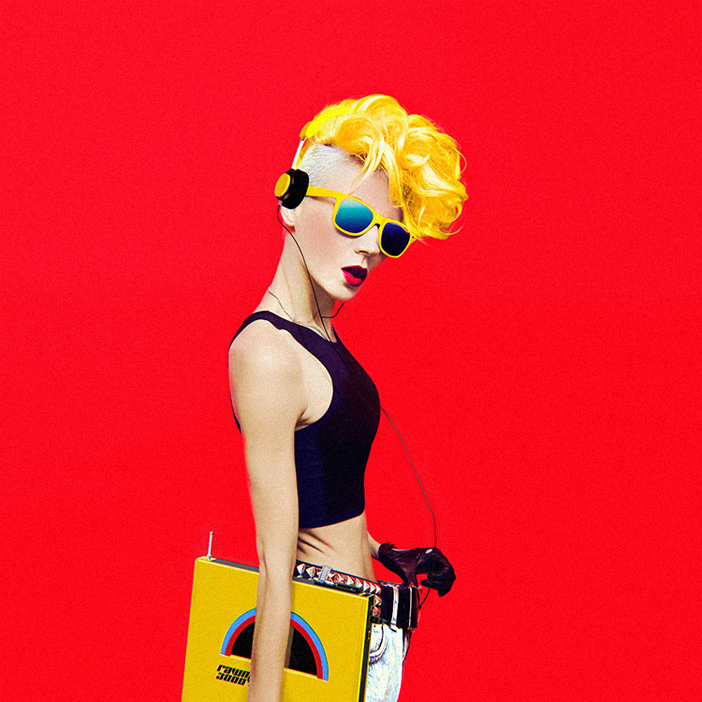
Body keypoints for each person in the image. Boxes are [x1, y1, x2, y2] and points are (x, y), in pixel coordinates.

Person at [228, 94, 467, 702]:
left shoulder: (321, 335)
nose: (370, 247)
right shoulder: (268, 353)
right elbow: (274, 562)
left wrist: (386, 551)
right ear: (290, 203)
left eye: (389, 235)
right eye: (355, 218)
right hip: (320, 641)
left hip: (368, 634)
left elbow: (324, 497)